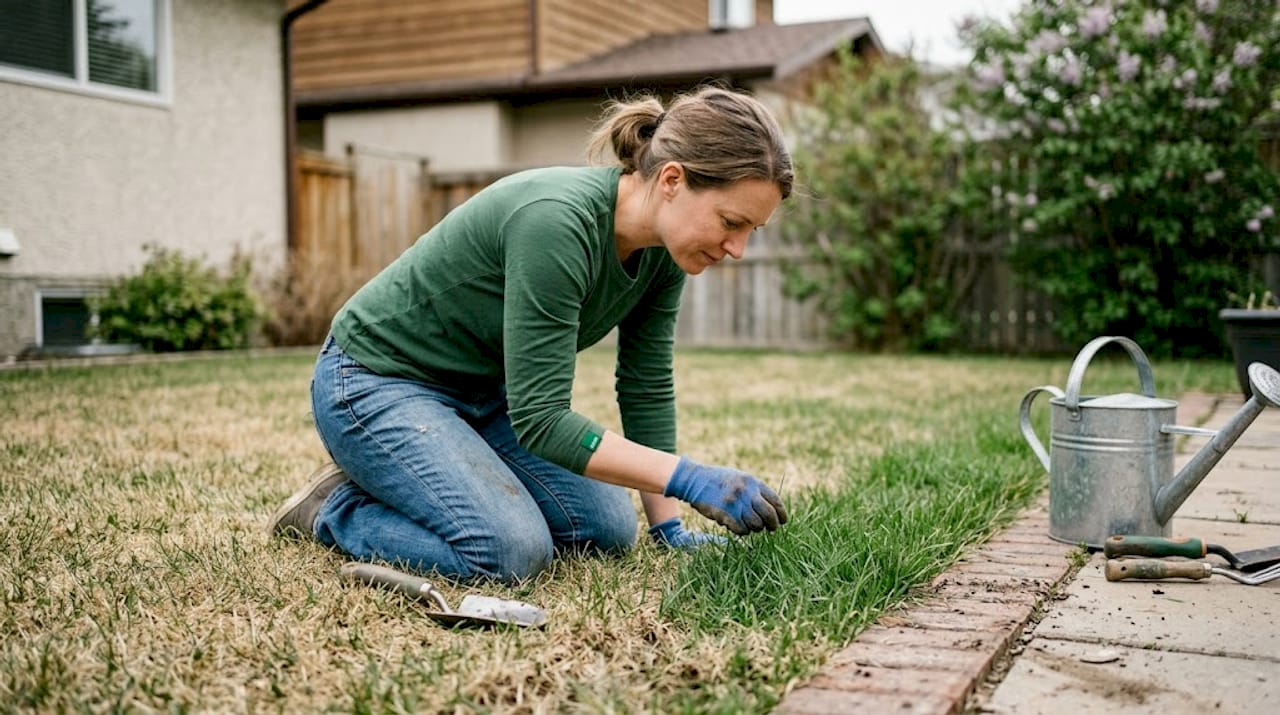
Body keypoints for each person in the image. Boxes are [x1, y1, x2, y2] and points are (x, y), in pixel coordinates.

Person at [268, 86, 792, 583]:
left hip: (481, 398)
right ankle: (334, 509)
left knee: (606, 531)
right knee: (508, 551)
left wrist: (667, 525)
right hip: (374, 380)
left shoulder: (664, 255)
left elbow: (645, 386)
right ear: (672, 180)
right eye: (731, 222)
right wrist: (690, 477)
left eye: (751, 230)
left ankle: (441, 475)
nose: (738, 248)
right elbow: (542, 420)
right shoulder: (556, 223)